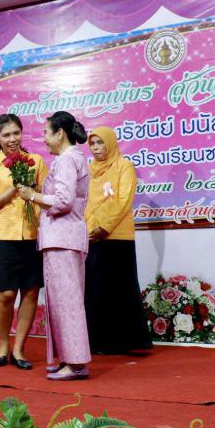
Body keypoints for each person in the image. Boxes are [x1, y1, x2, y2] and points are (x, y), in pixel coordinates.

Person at [17, 112, 91, 380]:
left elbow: (63, 201)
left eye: (46, 133)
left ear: (60, 133)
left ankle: (76, 363)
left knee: (68, 302)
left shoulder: (67, 159)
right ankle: (70, 359)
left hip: (63, 239)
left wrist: (32, 195)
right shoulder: (71, 158)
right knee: (62, 301)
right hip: (62, 238)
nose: (44, 139)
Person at [0, 114, 47, 370]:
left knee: (31, 291)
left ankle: (19, 349)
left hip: (32, 234)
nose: (12, 139)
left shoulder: (36, 161)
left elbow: (46, 197)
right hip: (3, 236)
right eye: (6, 135)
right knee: (7, 293)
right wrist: (14, 189)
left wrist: (33, 194)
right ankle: (3, 344)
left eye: (16, 133)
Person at [84, 126, 153, 354]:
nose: (96, 148)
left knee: (121, 288)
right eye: (92, 144)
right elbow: (85, 202)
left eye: (100, 143)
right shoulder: (88, 170)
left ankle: (128, 342)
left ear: (111, 143)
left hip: (118, 237)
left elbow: (124, 200)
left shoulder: (124, 166)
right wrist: (90, 228)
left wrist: (103, 227)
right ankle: (99, 342)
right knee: (96, 290)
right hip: (92, 237)